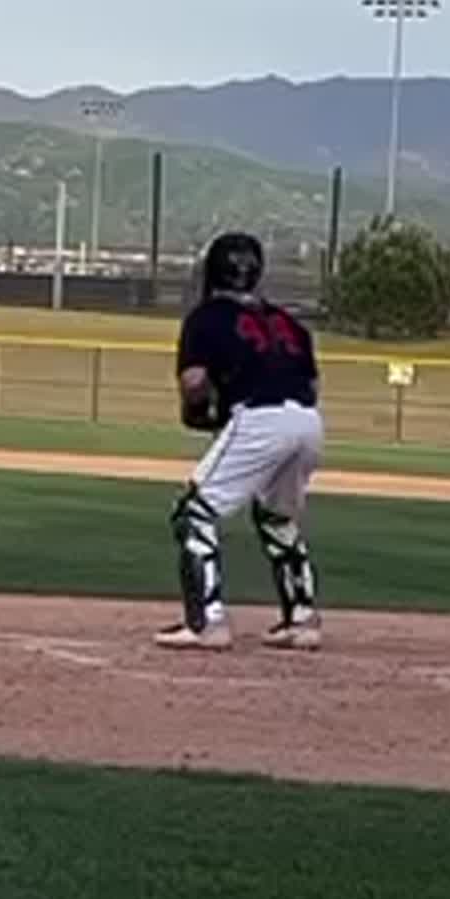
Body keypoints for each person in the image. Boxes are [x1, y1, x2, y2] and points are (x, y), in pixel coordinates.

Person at [157, 231, 324, 653]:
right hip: (307, 420)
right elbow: (312, 383)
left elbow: (194, 383)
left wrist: (199, 412)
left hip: (259, 417)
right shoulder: (289, 322)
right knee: (276, 517)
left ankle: (207, 622)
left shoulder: (205, 318)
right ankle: (302, 619)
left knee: (194, 514)